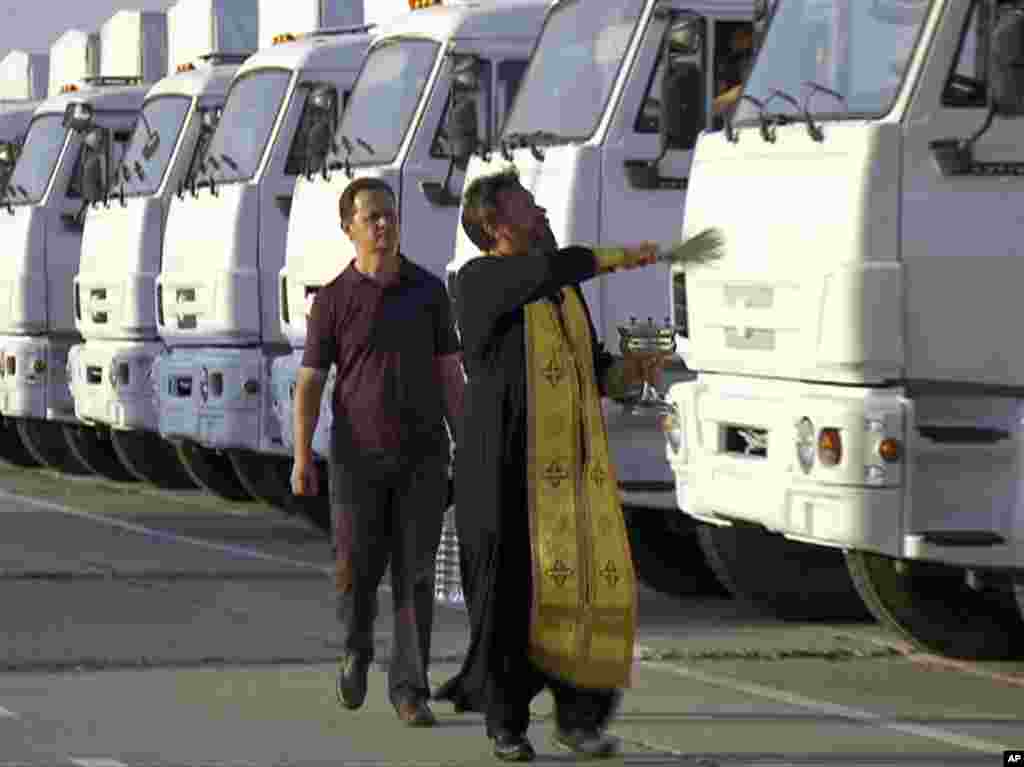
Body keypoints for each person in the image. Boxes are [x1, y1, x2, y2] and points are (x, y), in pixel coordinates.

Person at [433, 168, 662, 762]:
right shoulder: (477, 282)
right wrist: (617, 256)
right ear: (494, 225)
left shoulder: (562, 290)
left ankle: (579, 719)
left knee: (584, 596)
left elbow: (596, 364)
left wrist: (627, 375)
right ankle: (506, 723)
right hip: (505, 474)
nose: (541, 213)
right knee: (510, 599)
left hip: (571, 477)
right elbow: (546, 270)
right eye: (529, 206)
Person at [291, 177, 465, 728]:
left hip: (423, 458)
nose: (384, 225)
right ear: (349, 229)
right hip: (356, 462)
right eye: (372, 218)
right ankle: (356, 648)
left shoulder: (429, 291)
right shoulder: (334, 300)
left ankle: (409, 688)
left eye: (390, 215)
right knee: (355, 571)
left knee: (415, 575)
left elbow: (450, 376)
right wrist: (302, 457)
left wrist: (470, 445)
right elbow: (311, 384)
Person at [713, 26, 756, 119]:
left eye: (739, 38)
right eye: (734, 38)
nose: (733, 42)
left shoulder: (754, 60)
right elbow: (715, 108)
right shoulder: (730, 63)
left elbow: (751, 87)